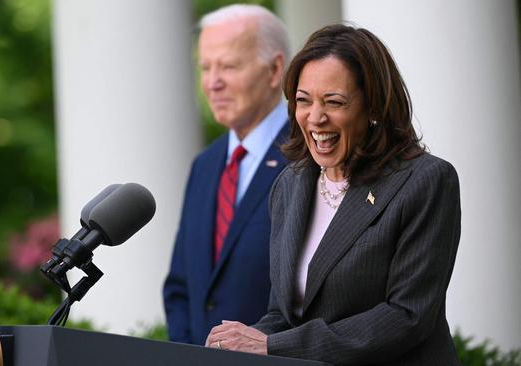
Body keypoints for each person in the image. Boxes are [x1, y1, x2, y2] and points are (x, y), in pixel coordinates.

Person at [205, 24, 462, 365]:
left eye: (334, 102)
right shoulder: (290, 185)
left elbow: (406, 316)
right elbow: (285, 315)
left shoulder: (425, 181)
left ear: (373, 107)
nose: (315, 118)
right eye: (303, 101)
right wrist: (238, 343)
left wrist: (272, 347)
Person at [163, 4, 291, 346]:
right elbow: (180, 286)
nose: (213, 83)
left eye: (229, 66)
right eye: (205, 68)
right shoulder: (205, 164)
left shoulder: (308, 156)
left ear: (275, 69)